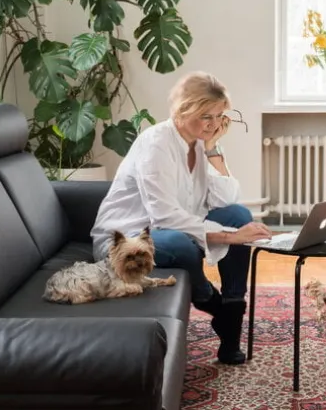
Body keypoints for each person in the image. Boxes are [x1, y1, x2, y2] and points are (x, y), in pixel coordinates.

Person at [90, 71, 272, 365]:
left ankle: (232, 312)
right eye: (206, 117)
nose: (214, 124)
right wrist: (229, 236)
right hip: (128, 239)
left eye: (219, 116)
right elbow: (164, 216)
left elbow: (227, 198)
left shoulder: (199, 141)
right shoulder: (156, 145)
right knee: (181, 244)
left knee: (239, 215)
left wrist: (212, 148)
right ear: (183, 110)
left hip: (174, 227)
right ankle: (218, 308)